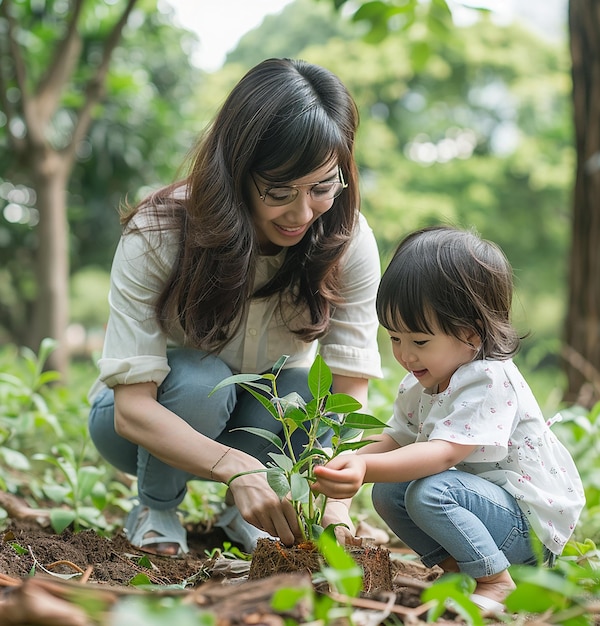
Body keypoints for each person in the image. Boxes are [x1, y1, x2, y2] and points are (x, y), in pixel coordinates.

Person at [88, 58, 383, 557]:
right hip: (146, 422)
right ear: (238, 172)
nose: (302, 213)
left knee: (298, 390)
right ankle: (156, 507)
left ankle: (241, 515)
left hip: (261, 421)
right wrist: (236, 468)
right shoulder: (160, 233)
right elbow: (132, 411)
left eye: (322, 187)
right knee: (201, 380)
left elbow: (346, 395)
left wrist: (335, 508)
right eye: (279, 191)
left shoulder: (347, 242)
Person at [313, 225, 585, 613]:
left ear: (471, 334)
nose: (405, 355)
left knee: (429, 491)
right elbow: (397, 439)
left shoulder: (488, 378)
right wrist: (347, 459)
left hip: (527, 529)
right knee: (388, 492)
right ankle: (462, 569)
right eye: (394, 338)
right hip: (483, 512)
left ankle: (496, 581)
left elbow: (441, 455)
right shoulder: (421, 381)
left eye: (420, 341)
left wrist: (365, 465)